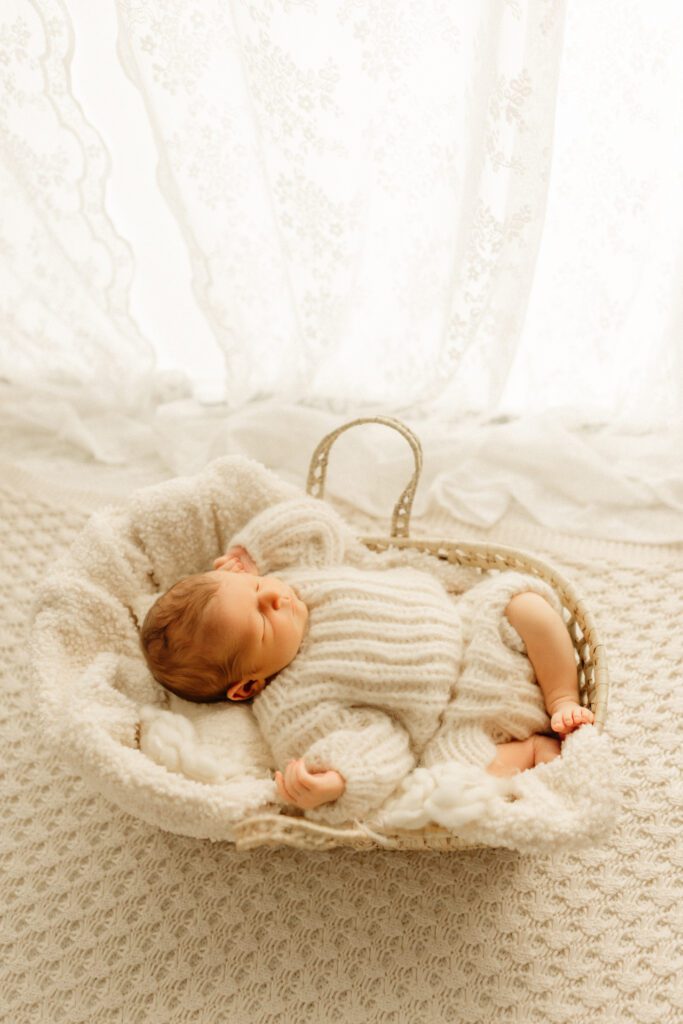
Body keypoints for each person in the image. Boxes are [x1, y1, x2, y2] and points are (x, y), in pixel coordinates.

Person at [140, 497, 594, 825]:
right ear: (247, 686)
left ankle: (561, 698)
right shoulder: (292, 707)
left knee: (526, 601)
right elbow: (382, 748)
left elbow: (316, 523)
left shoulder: (299, 579)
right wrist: (337, 780)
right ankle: (538, 748)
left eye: (259, 589)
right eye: (261, 618)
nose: (275, 597)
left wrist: (252, 552)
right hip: (459, 720)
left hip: (473, 626)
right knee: (451, 776)